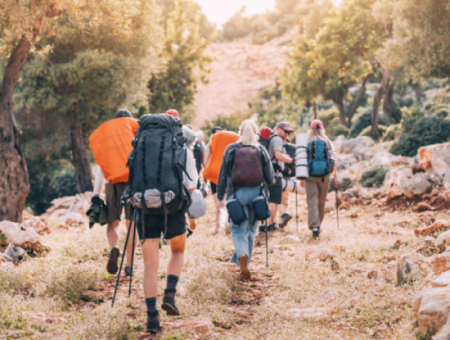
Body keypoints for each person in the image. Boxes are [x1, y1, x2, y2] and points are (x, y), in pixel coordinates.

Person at [129, 114, 199, 334]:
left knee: (150, 266)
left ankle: (152, 318)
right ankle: (169, 294)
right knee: (178, 251)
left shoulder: (138, 150)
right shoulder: (183, 150)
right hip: (173, 209)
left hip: (145, 209)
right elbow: (191, 186)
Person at [217, 120, 274, 280]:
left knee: (237, 229)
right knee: (251, 230)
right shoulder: (260, 149)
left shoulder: (231, 149)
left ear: (239, 133)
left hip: (236, 195)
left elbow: (223, 175)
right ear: (255, 133)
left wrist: (220, 195)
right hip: (257, 194)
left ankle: (242, 254)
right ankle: (246, 265)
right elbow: (270, 177)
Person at [91, 109, 138, 277]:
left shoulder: (108, 136)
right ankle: (129, 265)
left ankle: (114, 249)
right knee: (132, 223)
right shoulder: (134, 130)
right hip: (133, 181)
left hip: (112, 182)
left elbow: (100, 168)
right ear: (129, 120)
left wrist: (96, 194)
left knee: (113, 222)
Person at [203, 127, 239, 234]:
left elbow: (205, 161)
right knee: (230, 201)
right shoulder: (234, 140)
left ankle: (217, 228)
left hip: (215, 175)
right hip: (229, 174)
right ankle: (228, 223)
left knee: (218, 203)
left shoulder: (211, 142)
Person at [305, 119, 335, 239]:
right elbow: (333, 157)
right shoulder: (327, 141)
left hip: (310, 175)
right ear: (322, 128)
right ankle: (319, 225)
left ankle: (315, 226)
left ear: (311, 129)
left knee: (312, 200)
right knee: (321, 201)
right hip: (325, 176)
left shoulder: (307, 140)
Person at [266, 121, 295, 231]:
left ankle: (270, 223)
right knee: (274, 199)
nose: (287, 134)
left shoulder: (273, 139)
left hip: (271, 172)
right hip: (275, 172)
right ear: (278, 129)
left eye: (289, 132)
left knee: (274, 199)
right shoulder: (277, 139)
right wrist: (291, 160)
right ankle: (270, 224)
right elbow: (278, 155)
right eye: (285, 131)